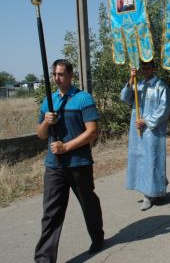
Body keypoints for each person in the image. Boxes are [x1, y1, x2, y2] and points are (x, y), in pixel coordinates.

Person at [35, 59, 104, 262]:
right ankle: (44, 259)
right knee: (51, 213)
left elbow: (92, 131)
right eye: (54, 74)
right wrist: (46, 123)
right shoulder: (48, 100)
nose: (57, 78)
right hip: (54, 166)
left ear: (71, 75)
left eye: (61, 74)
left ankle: (97, 237)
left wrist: (66, 147)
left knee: (88, 203)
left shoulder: (83, 98)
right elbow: (40, 134)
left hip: (78, 164)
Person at [120, 60, 170, 211]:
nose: (146, 70)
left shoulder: (160, 86)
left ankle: (148, 195)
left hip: (153, 131)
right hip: (137, 131)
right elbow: (125, 98)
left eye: (149, 67)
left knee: (152, 160)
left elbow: (164, 109)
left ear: (154, 68)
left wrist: (147, 121)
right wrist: (131, 78)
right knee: (141, 160)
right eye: (143, 67)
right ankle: (157, 185)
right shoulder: (138, 84)